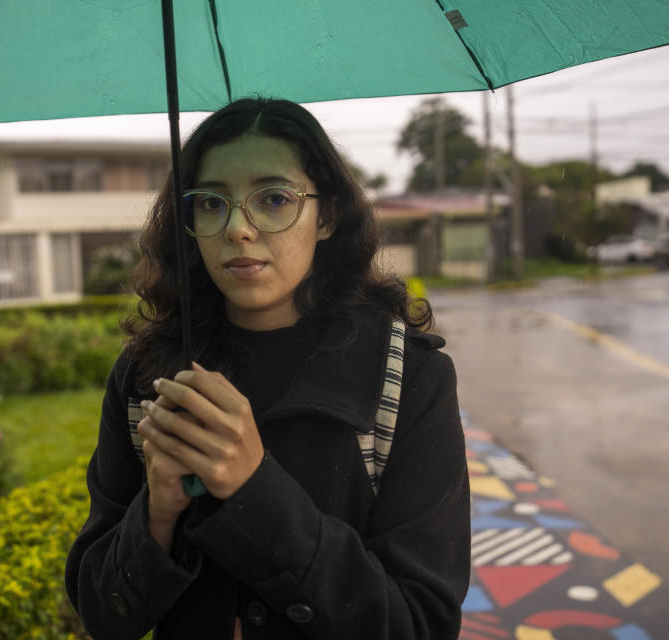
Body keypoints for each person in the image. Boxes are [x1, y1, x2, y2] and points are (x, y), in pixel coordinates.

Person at [65, 98, 470, 639]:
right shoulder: (147, 378)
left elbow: (419, 624)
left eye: (274, 199)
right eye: (211, 203)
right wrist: (156, 512)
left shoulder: (408, 377)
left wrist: (256, 488)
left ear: (325, 216)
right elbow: (103, 615)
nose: (237, 228)